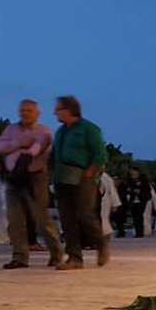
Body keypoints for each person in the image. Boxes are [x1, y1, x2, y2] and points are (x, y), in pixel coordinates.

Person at [0, 99, 63, 269]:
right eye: (23, 110)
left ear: (37, 114)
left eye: (29, 110)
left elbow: (37, 149)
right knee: (15, 218)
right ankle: (20, 257)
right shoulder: (11, 129)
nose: (25, 113)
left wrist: (21, 149)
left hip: (35, 178)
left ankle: (56, 253)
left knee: (41, 217)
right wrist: (19, 144)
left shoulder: (43, 131)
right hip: (13, 178)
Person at [52, 96, 108, 269]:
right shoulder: (61, 131)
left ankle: (101, 243)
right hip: (62, 177)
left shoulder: (89, 129)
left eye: (58, 109)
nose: (55, 112)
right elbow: (54, 153)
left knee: (85, 215)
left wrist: (90, 172)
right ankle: (74, 257)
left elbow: (100, 154)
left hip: (83, 177)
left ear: (69, 110)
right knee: (67, 219)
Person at [123, 167, 152, 237]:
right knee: (135, 216)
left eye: (134, 171)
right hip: (133, 200)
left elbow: (147, 189)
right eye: (131, 172)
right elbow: (128, 189)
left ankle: (140, 232)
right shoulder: (129, 180)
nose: (132, 173)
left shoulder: (143, 180)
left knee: (139, 216)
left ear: (137, 172)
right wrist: (131, 190)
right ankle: (137, 232)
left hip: (141, 200)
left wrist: (140, 191)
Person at [98, 170, 121, 239]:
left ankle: (105, 234)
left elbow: (112, 191)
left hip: (105, 201)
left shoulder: (107, 178)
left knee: (104, 217)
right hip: (96, 200)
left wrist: (115, 204)